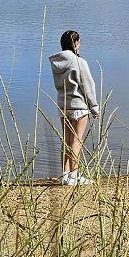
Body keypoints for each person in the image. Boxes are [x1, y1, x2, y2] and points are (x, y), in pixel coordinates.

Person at [48, 29, 100, 186]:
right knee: (76, 140)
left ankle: (65, 175)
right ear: (76, 44)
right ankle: (75, 176)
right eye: (79, 42)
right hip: (78, 105)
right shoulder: (79, 62)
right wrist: (94, 107)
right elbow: (87, 86)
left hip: (63, 105)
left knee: (67, 140)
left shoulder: (57, 63)